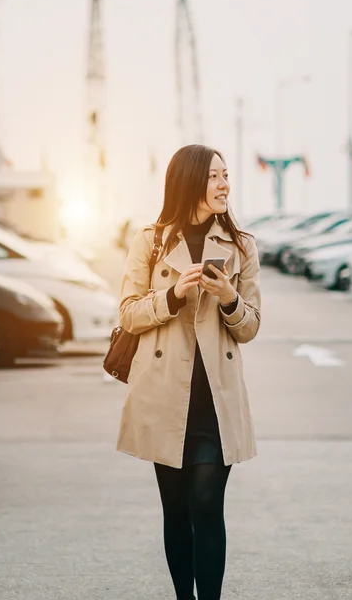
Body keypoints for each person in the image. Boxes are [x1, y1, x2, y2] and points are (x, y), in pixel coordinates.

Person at [117, 144, 262, 600]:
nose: (224, 185)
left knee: (206, 504)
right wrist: (174, 295)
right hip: (165, 396)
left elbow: (251, 326)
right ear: (190, 182)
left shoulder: (241, 246)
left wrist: (229, 300)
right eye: (215, 176)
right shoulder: (151, 241)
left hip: (215, 401)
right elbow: (128, 315)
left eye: (226, 175)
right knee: (176, 511)